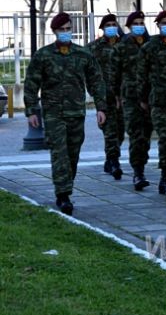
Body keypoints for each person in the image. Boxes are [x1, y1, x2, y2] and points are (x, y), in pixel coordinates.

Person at [24, 12, 107, 215]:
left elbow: (96, 81)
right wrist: (31, 110)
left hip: (76, 112)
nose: (65, 32)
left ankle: (66, 188)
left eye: (68, 28)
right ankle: (63, 195)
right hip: (53, 113)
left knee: (72, 155)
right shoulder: (43, 55)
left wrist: (101, 107)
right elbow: (31, 83)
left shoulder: (83, 54)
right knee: (59, 153)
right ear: (54, 31)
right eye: (61, 29)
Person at [137, 10, 166, 199]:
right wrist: (142, 99)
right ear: (157, 25)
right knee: (165, 139)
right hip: (159, 101)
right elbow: (141, 76)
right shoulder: (149, 48)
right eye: (164, 22)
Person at [112, 10, 152, 191]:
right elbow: (114, 74)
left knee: (146, 136)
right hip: (131, 97)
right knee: (136, 134)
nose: (139, 26)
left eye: (141, 23)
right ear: (128, 26)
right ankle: (138, 172)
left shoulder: (151, 44)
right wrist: (116, 97)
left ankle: (141, 164)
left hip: (150, 97)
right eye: (135, 23)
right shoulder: (122, 47)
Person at [87, 13, 124, 180]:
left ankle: (110, 158)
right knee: (110, 131)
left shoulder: (124, 45)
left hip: (123, 96)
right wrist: (95, 93)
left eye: (113, 24)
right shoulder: (94, 48)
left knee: (121, 132)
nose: (111, 27)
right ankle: (115, 162)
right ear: (102, 28)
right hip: (104, 96)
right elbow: (88, 72)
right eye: (108, 25)